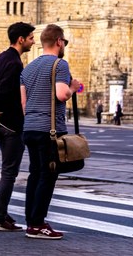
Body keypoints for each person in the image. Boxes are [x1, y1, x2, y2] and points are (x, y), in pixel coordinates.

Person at [20, 24, 80, 239]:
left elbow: (23, 104)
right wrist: (73, 87)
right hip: (49, 130)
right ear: (59, 42)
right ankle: (37, 224)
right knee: (48, 175)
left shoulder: (27, 68)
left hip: (30, 129)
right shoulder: (59, 64)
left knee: (35, 174)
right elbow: (62, 95)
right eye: (64, 42)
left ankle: (31, 221)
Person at [0, 22, 35, 231]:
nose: (32, 41)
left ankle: (2, 212)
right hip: (11, 125)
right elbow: (2, 93)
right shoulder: (14, 63)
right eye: (30, 37)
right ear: (20, 39)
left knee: (7, 171)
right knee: (9, 172)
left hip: (2, 123)